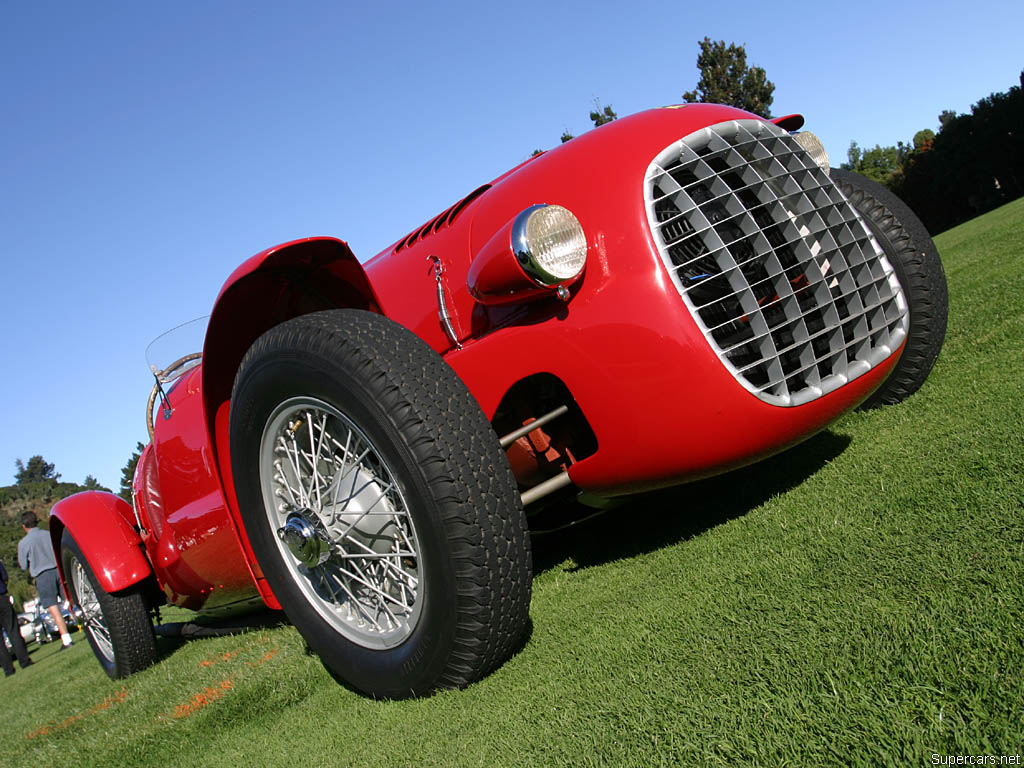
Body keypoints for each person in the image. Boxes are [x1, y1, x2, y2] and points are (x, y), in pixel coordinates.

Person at [17, 512, 73, 649]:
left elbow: (23, 565)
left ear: (24, 526)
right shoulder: (48, 534)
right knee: (70, 600)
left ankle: (66, 638)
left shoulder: (24, 543)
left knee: (53, 608)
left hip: (42, 575)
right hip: (58, 569)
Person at [0, 557, 33, 676]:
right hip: (1, 598)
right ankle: (24, 661)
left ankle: (8, 670)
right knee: (13, 631)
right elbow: (4, 577)